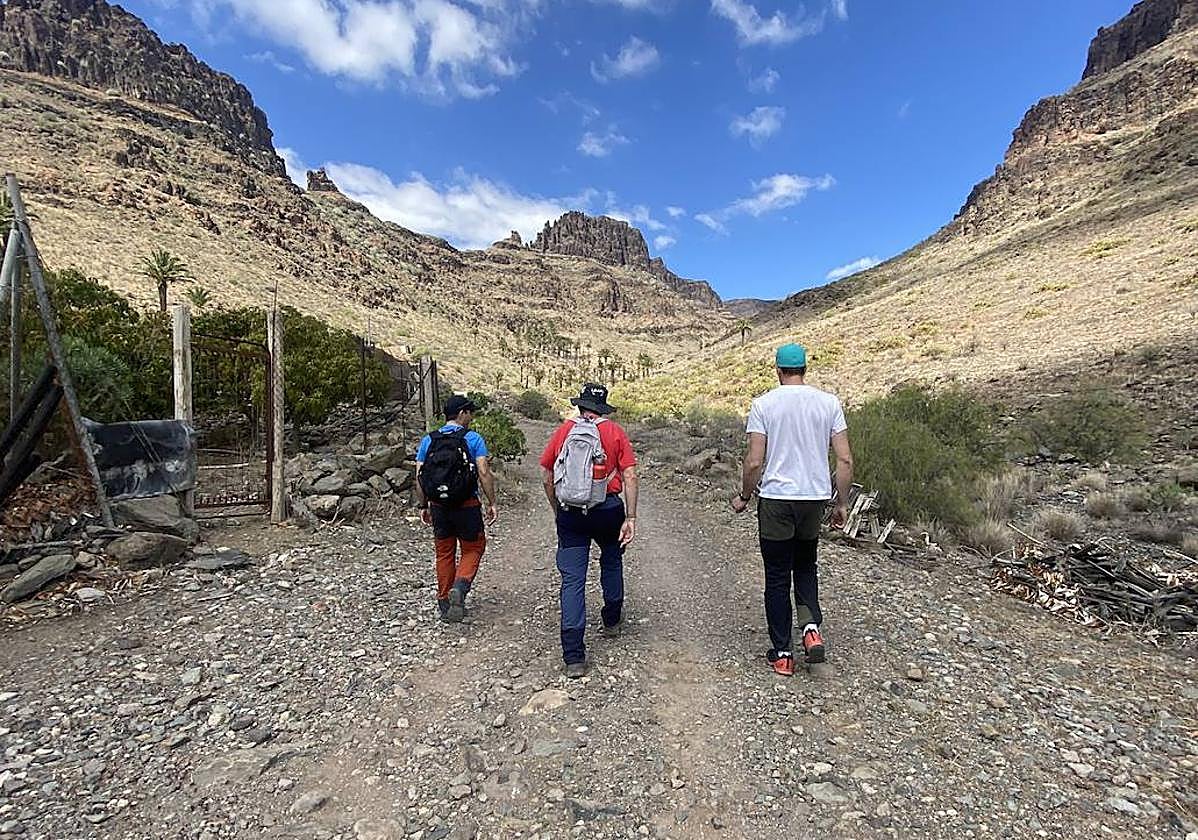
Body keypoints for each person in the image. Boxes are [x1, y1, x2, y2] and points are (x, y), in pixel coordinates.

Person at [731, 344, 854, 676]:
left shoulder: (764, 404)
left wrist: (744, 495)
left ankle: (783, 654)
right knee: (805, 565)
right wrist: (841, 503)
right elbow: (844, 459)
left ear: (777, 369)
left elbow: (755, 460)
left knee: (776, 575)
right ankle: (811, 628)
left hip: (776, 500)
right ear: (805, 368)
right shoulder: (829, 403)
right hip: (813, 499)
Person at [540, 383, 639, 678]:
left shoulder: (565, 430)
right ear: (603, 407)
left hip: (571, 513)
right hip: (608, 510)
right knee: (611, 560)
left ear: (581, 405)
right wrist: (631, 516)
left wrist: (558, 509)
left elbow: (546, 474)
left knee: (573, 580)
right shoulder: (615, 432)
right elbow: (630, 475)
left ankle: (573, 656)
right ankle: (611, 619)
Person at [415, 395, 498, 623]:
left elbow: (419, 476)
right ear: (462, 413)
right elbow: (483, 472)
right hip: (467, 505)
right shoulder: (473, 439)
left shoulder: (428, 440)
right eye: (470, 412)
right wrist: (492, 502)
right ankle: (460, 589)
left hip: (439, 506)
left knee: (444, 552)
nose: (471, 417)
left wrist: (424, 505)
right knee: (473, 548)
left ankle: (444, 602)